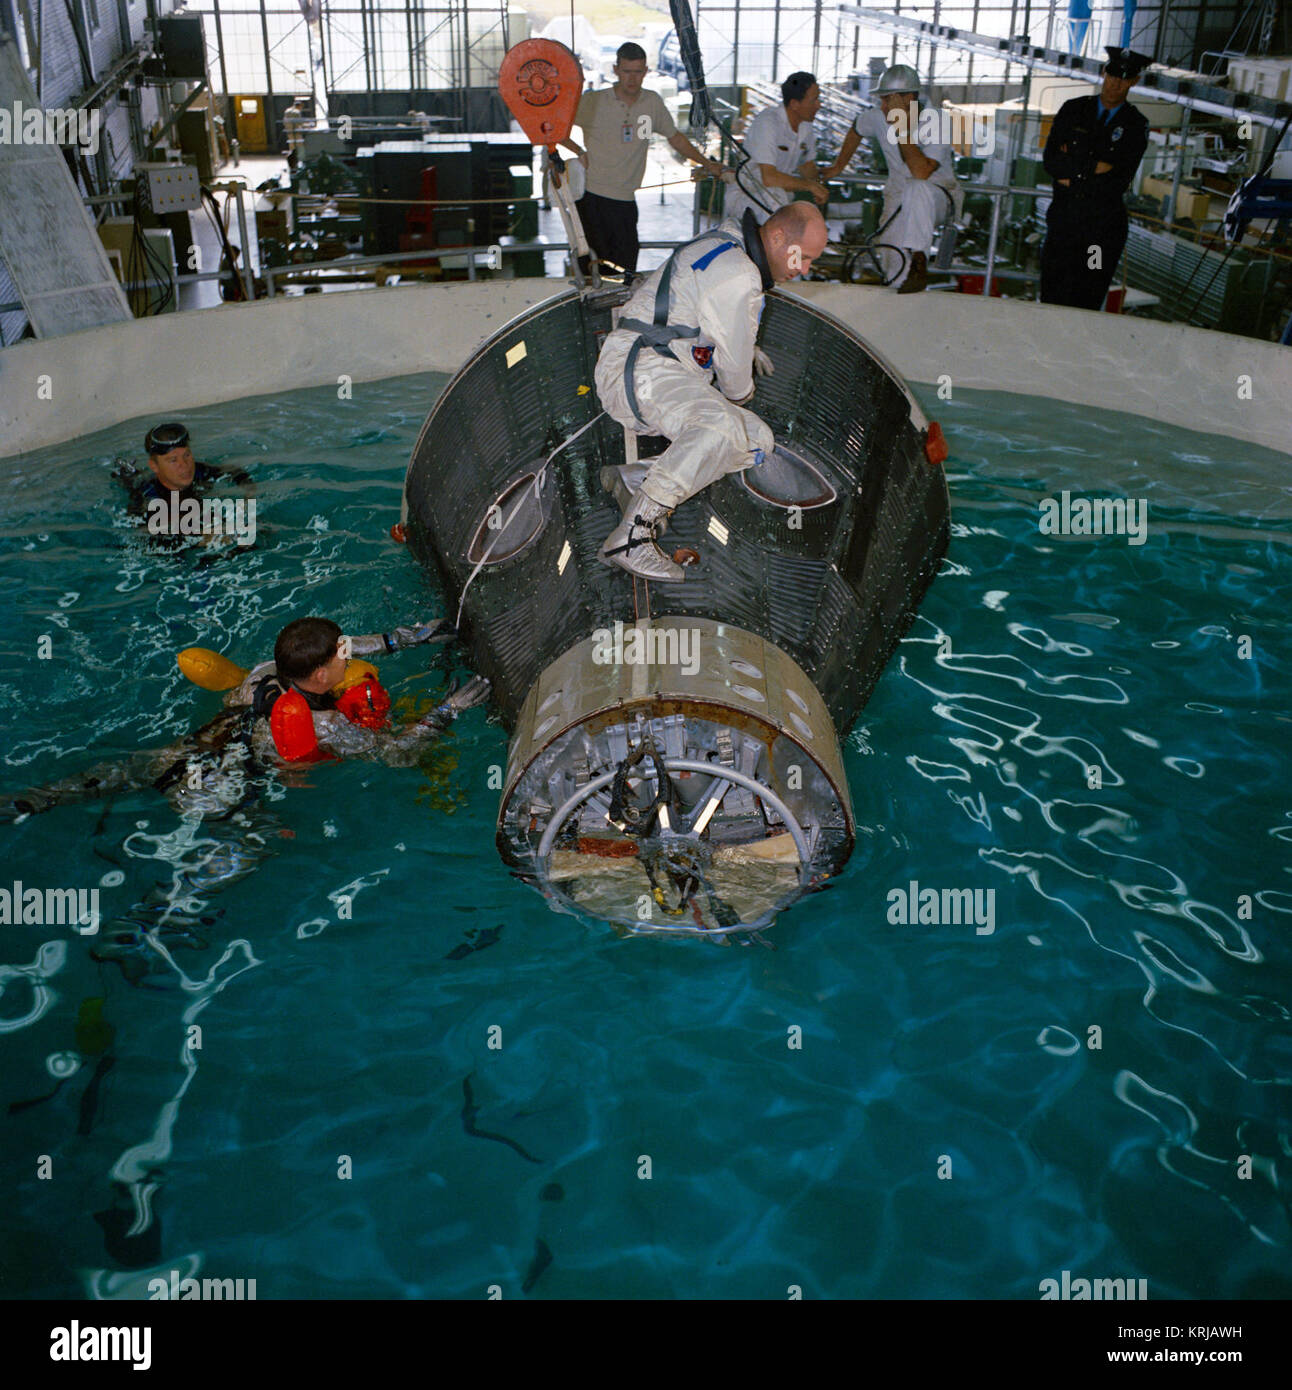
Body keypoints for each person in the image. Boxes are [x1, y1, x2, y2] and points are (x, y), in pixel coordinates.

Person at [594, 202, 829, 582]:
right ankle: (632, 537)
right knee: (722, 428)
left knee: (757, 440)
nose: (805, 269)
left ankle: (639, 479)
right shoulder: (739, 273)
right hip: (639, 368)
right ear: (778, 236)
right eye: (804, 258)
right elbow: (734, 376)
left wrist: (742, 345)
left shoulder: (731, 247)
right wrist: (739, 395)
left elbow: (704, 310)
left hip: (663, 368)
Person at [557, 42, 724, 279]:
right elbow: (554, 127)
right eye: (626, 71)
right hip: (592, 200)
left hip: (626, 202)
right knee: (592, 274)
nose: (632, 79)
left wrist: (707, 164)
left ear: (646, 71)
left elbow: (675, 138)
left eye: (637, 72)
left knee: (625, 273)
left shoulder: (652, 103)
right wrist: (577, 150)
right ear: (615, 70)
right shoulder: (594, 102)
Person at [229, 616, 490, 766]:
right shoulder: (328, 725)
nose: (348, 657)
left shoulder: (264, 673)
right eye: (342, 656)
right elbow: (394, 754)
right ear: (321, 675)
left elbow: (339, 647)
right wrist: (447, 711)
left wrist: (401, 639)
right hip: (244, 777)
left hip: (227, 735)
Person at [823, 64, 962, 294]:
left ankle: (918, 261)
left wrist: (902, 129)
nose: (883, 106)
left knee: (918, 188)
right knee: (892, 259)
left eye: (889, 100)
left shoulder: (936, 120)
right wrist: (838, 166)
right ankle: (900, 293)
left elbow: (921, 171)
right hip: (898, 196)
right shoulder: (880, 116)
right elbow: (857, 128)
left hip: (937, 195)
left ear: (909, 97)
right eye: (882, 100)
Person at [1040, 46, 1151, 310]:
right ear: (1104, 72)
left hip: (1100, 235)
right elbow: (1052, 161)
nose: (1116, 83)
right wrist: (1095, 167)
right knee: (1051, 292)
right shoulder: (1073, 110)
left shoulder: (1136, 125)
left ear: (1134, 81)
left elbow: (1118, 180)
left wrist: (1074, 171)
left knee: (1088, 293)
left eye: (1124, 78)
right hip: (1063, 226)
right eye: (1112, 75)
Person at [112, 422, 257, 548]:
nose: (185, 465)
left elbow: (235, 472)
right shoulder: (149, 498)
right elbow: (149, 538)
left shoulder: (200, 472)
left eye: (187, 455)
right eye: (173, 460)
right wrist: (200, 537)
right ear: (154, 466)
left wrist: (249, 495)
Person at [723, 72, 829, 228]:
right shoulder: (768, 122)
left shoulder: (805, 126)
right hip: (749, 196)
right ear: (794, 104)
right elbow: (769, 178)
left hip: (779, 199)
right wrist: (809, 186)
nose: (819, 105)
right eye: (814, 100)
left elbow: (806, 165)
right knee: (779, 221)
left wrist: (818, 185)